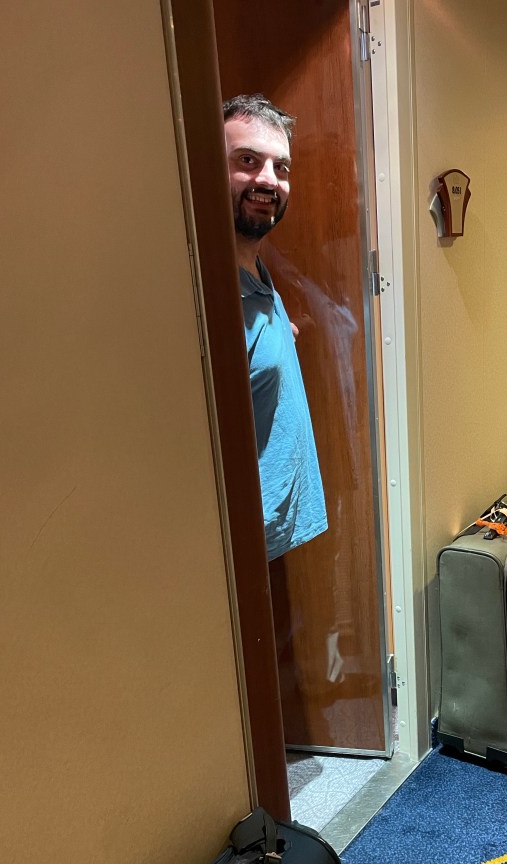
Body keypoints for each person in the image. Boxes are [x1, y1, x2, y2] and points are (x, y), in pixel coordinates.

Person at [223, 93, 327, 560]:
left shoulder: (256, 273)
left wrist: (280, 339)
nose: (268, 180)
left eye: (280, 167)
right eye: (247, 160)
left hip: (279, 538)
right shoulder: (209, 296)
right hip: (242, 553)